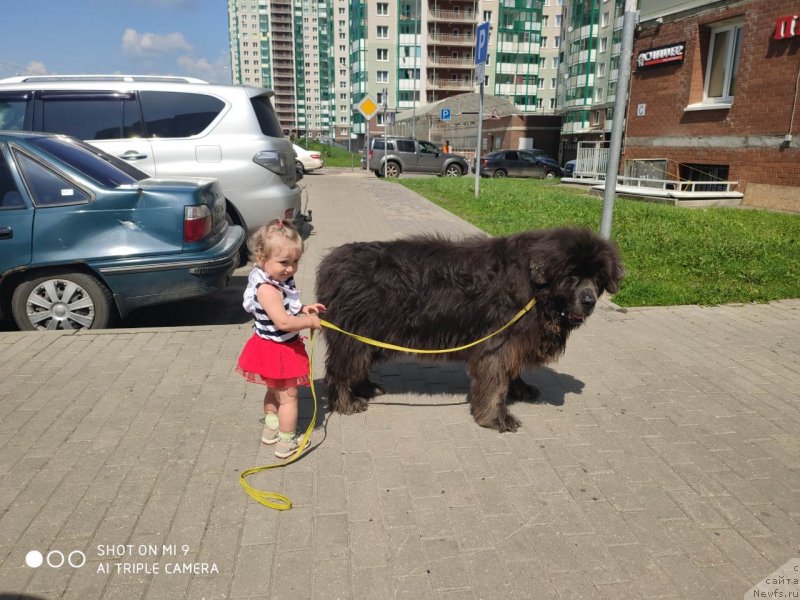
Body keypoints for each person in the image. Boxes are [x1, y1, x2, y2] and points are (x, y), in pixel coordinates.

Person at [236, 219, 326, 458]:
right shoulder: (268, 289)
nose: (290, 268)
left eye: (295, 262)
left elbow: (285, 310)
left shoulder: (272, 279)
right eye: (284, 262)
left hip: (266, 347)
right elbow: (283, 322)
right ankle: (287, 441)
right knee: (288, 399)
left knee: (273, 391)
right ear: (261, 258)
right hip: (279, 351)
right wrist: (310, 322)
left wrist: (303, 308)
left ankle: (270, 429)